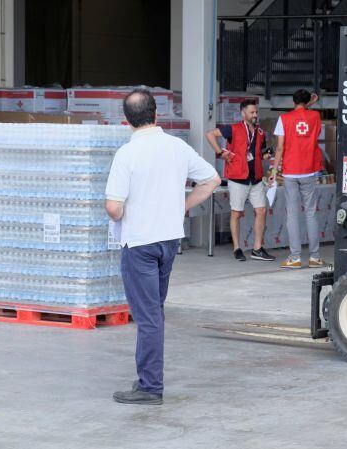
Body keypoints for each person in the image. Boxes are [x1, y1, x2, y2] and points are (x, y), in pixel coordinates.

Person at [106, 89, 221, 405]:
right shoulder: (177, 147)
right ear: (156, 115)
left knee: (148, 317)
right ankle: (147, 378)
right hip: (169, 242)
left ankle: (150, 386)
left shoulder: (126, 154)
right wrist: (183, 206)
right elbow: (212, 180)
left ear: (126, 121)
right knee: (153, 311)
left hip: (139, 244)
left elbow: (114, 208)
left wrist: (127, 209)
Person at [206, 99, 275, 262]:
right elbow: (210, 135)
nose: (255, 115)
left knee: (262, 211)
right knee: (236, 213)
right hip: (238, 177)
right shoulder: (233, 129)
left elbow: (259, 154)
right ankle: (237, 248)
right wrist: (220, 152)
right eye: (252, 112)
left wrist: (267, 155)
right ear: (243, 113)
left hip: (256, 178)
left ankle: (257, 248)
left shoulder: (260, 133)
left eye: (256, 112)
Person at [269, 89, 327, 269]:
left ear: (292, 101)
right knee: (310, 213)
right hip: (308, 170)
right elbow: (306, 116)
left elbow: (279, 148)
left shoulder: (284, 119)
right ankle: (315, 257)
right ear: (308, 101)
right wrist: (310, 103)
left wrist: (273, 170)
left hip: (290, 171)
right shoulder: (315, 116)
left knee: (292, 215)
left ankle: (295, 258)